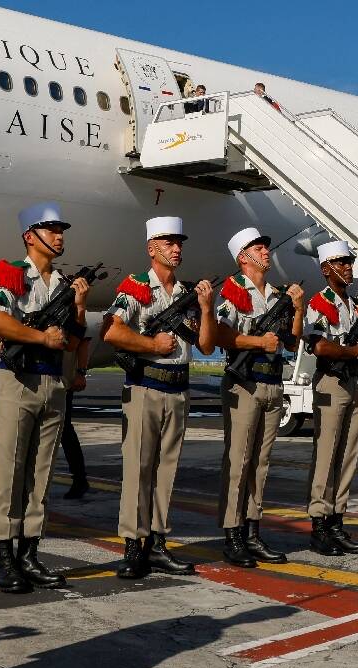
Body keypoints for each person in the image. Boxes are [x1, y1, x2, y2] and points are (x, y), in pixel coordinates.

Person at [0, 201, 91, 593]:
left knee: (40, 473)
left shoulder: (62, 285)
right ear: (31, 236)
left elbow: (74, 340)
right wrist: (41, 336)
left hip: (52, 383)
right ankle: (4, 558)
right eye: (51, 229)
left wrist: (78, 305)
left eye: (62, 229)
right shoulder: (13, 275)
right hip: (19, 380)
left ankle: (29, 552)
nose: (60, 235)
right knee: (10, 470)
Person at [102, 217, 217, 579]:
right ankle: (133, 547)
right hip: (146, 387)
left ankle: (158, 543)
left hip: (178, 388)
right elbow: (111, 331)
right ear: (152, 248)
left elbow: (206, 345)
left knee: (166, 472)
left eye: (178, 242)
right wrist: (152, 344)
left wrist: (207, 308)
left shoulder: (185, 293)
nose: (176, 248)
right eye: (168, 242)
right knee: (138, 470)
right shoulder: (136, 288)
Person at [216, 227, 305, 567]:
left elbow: (293, 342)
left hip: (272, 383)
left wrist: (297, 308)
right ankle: (233, 534)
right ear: (243, 257)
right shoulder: (233, 291)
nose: (266, 252)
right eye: (258, 247)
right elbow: (222, 334)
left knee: (260, 464)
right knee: (238, 462)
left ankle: (253, 532)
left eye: (266, 247)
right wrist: (257, 343)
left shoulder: (278, 294)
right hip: (245, 383)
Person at [304, 240, 358, 555]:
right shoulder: (319, 302)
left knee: (347, 455)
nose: (347, 268)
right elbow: (318, 345)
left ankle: (336, 520)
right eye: (340, 263)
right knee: (327, 455)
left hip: (355, 382)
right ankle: (320, 524)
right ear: (326, 269)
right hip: (332, 382)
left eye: (349, 262)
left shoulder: (354, 305)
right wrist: (353, 351)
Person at [61, 337, 90, 499]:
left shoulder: (73, 312)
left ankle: (79, 478)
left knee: (65, 431)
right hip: (37, 378)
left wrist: (81, 372)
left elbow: (84, 341)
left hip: (63, 382)